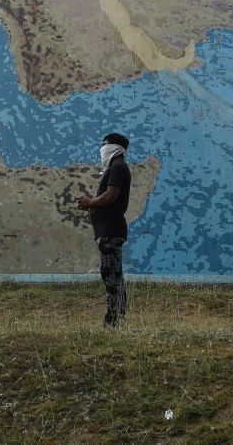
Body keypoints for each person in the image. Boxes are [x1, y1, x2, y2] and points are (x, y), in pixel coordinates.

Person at [77, 132, 132, 328]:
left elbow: (110, 196)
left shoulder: (118, 167)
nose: (102, 149)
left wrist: (90, 202)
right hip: (108, 230)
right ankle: (119, 316)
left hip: (111, 230)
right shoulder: (114, 168)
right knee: (114, 273)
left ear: (116, 148)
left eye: (105, 145)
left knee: (110, 274)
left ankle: (113, 320)